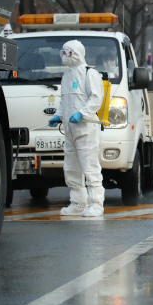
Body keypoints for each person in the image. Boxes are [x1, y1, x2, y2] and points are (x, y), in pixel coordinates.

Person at [48, 40, 105, 217]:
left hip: (86, 128)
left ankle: (96, 203)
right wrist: (58, 115)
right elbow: (64, 101)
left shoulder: (90, 73)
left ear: (78, 53)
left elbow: (96, 99)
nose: (65, 56)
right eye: (63, 52)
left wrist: (82, 113)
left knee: (89, 166)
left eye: (69, 52)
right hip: (70, 129)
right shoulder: (67, 76)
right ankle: (78, 202)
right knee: (71, 166)